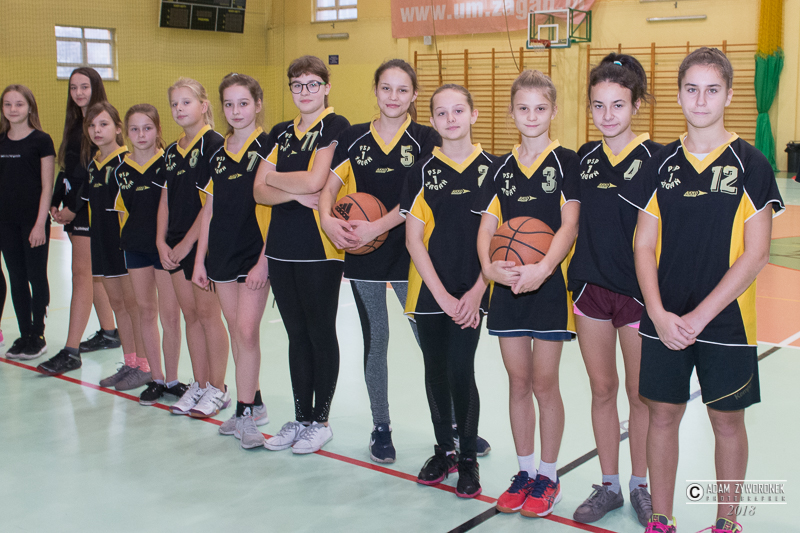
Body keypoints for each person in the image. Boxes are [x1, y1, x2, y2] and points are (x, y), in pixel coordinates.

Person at [621, 47, 784, 533]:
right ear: (678, 95)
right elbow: (642, 244)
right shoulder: (660, 163)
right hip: (664, 319)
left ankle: (727, 522)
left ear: (729, 95)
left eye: (712, 90)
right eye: (691, 89)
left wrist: (699, 317)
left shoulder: (751, 164)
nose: (700, 99)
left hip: (727, 321)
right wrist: (658, 313)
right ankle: (662, 517)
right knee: (662, 417)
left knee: (727, 421)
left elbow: (756, 254)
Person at [319, 59, 440, 463]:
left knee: (430, 343)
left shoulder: (425, 137)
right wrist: (326, 219)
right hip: (365, 257)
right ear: (375, 91)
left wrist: (377, 226)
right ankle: (381, 426)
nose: (393, 96)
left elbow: (417, 195)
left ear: (414, 95)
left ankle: (451, 427)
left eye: (402, 89)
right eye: (386, 88)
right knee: (376, 341)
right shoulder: (353, 137)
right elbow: (329, 186)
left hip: (411, 253)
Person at [476, 70, 579, 518]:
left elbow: (569, 224)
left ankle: (549, 476)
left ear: (554, 111)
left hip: (548, 285)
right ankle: (524, 472)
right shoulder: (500, 167)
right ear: (512, 112)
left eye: (540, 108)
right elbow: (487, 225)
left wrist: (544, 267)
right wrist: (487, 267)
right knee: (517, 382)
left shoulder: (567, 162)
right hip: (507, 287)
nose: (531, 116)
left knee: (544, 383)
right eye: (523, 108)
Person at [568, 53, 661, 526]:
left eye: (618, 104)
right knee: (602, 389)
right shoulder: (582, 158)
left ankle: (641, 485)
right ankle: (609, 485)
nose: (607, 114)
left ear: (636, 104)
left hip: (638, 294)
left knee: (641, 394)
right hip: (591, 289)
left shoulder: (658, 160)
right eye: (598, 105)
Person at [253, 55, 349, 454]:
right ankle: (301, 417)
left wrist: (275, 180)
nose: (305, 91)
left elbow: (316, 180)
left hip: (320, 248)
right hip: (281, 246)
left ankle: (320, 421)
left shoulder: (335, 125)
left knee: (320, 331)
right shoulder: (279, 131)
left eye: (312, 84)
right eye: (297, 85)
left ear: (326, 87)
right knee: (296, 334)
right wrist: (291, 192)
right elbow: (258, 190)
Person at [402, 84, 491, 498]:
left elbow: (499, 240)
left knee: (460, 369)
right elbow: (413, 239)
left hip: (472, 290)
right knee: (435, 371)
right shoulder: (421, 170)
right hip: (431, 290)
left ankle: (468, 457)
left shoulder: (494, 169)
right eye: (441, 113)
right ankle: (445, 450)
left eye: (458, 110)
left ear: (474, 114)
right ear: (432, 120)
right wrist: (439, 295)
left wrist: (477, 291)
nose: (450, 119)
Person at [43, 102, 150, 392]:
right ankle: (130, 363)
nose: (96, 130)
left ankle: (145, 366)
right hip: (102, 247)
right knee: (118, 306)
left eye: (103, 124)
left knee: (133, 307)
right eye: (91, 126)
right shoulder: (94, 165)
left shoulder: (125, 162)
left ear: (118, 128)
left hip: (124, 248)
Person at [194, 73, 271, 448]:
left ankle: (245, 413)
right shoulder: (216, 152)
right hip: (221, 254)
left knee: (246, 331)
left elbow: (277, 210)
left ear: (257, 104)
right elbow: (208, 210)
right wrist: (199, 260)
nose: (236, 111)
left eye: (243, 103)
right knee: (236, 331)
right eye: (229, 104)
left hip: (254, 253)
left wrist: (264, 260)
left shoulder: (270, 147)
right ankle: (254, 403)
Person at [157, 78, 230, 418]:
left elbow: (212, 204)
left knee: (208, 316)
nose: (179, 109)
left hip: (204, 246)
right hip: (175, 245)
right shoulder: (172, 151)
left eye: (186, 102)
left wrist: (188, 243)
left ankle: (218, 388)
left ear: (203, 105)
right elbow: (165, 199)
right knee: (191, 316)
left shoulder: (215, 145)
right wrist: (161, 240)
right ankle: (199, 384)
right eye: (174, 104)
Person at [39, 68, 120, 375]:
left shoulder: (102, 124)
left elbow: (92, 173)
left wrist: (73, 208)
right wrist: (57, 200)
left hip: (90, 209)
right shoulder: (75, 124)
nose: (79, 93)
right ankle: (110, 332)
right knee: (91, 272)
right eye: (73, 87)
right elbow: (69, 169)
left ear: (95, 87)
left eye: (84, 86)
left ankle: (70, 352)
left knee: (82, 274)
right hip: (75, 208)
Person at [114, 104, 185, 405]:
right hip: (135, 249)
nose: (141, 134)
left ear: (158, 130)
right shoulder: (121, 169)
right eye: (134, 129)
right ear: (126, 132)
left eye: (147, 128)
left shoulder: (167, 162)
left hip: (165, 249)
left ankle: (173, 380)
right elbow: (122, 212)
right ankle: (155, 378)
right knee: (145, 311)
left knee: (170, 315)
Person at [0, 84, 54, 360]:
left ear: (30, 107)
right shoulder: (1, 141)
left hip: (33, 223)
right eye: (8, 104)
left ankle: (38, 335)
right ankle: (24, 335)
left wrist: (40, 223)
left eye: (19, 104)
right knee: (17, 278)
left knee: (35, 276)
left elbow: (47, 186)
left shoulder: (41, 141)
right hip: (5, 223)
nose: (13, 109)